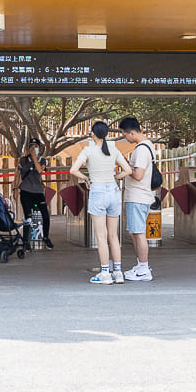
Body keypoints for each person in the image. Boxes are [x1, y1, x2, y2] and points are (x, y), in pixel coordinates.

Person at [70, 121, 131, 285]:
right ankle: (118, 272)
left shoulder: (88, 150)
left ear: (93, 134)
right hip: (113, 191)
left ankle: (105, 273)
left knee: (101, 236)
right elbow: (128, 170)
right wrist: (115, 177)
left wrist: (86, 178)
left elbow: (73, 170)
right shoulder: (114, 149)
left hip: (97, 191)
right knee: (113, 235)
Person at [118, 117, 155, 281]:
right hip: (140, 196)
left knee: (138, 233)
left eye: (125, 134)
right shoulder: (149, 145)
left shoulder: (141, 150)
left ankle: (144, 268)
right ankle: (141, 265)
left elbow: (138, 175)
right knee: (135, 231)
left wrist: (126, 167)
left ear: (132, 132)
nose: (125, 138)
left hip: (138, 195)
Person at [17, 139, 54, 250]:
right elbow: (17, 175)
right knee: (27, 216)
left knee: (45, 215)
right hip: (25, 191)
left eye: (36, 146)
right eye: (31, 146)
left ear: (39, 148)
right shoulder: (23, 160)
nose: (33, 148)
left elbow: (39, 170)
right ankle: (25, 241)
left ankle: (46, 237)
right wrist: (15, 188)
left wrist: (34, 157)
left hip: (38, 191)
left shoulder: (43, 161)